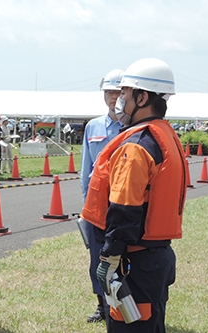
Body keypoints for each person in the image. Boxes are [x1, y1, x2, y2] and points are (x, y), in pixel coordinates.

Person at [81, 58, 187, 332]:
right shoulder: (165, 136)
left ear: (142, 98)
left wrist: (109, 259)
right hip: (156, 257)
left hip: (134, 261)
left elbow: (124, 208)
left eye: (126, 92)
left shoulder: (137, 145)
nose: (120, 99)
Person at [80, 69, 124, 323]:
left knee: (123, 254)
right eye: (109, 92)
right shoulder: (93, 126)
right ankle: (102, 305)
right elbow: (86, 168)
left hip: (124, 200)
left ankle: (121, 304)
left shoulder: (133, 127)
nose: (113, 97)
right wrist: (86, 204)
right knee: (97, 257)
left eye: (118, 92)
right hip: (97, 203)